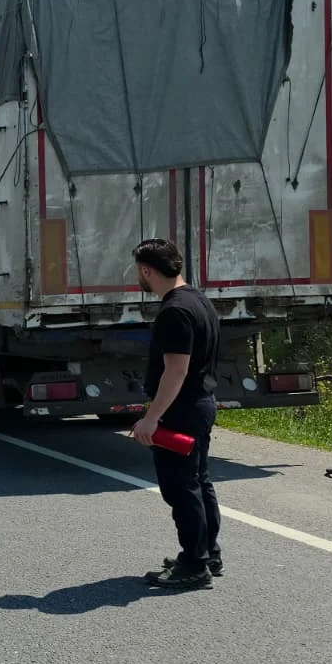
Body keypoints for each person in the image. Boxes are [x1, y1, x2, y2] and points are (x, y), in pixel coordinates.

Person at [129, 238, 221, 590]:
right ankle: (206, 553)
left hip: (181, 408)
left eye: (138, 271)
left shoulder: (174, 311)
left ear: (147, 270)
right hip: (200, 402)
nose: (138, 277)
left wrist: (151, 418)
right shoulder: (199, 300)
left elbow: (175, 372)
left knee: (181, 488)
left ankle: (195, 565)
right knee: (199, 482)